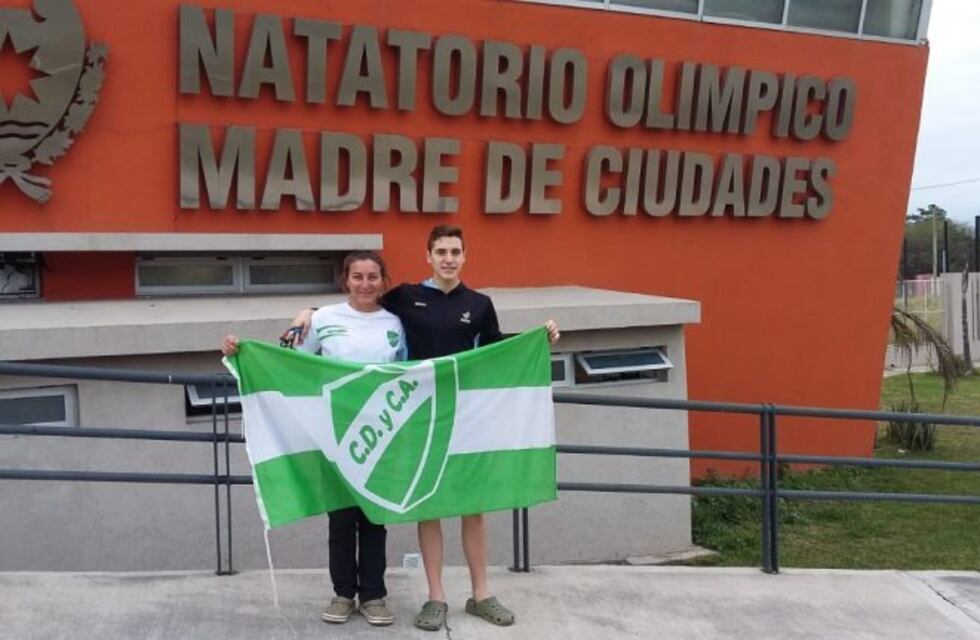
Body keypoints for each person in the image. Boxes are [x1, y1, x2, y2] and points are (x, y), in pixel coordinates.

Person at [286, 225, 560, 631]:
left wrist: (539, 340)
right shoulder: (405, 298)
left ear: (464, 256)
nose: (448, 258)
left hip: (467, 418)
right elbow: (360, 299)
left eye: (455, 251)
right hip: (419, 418)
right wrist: (308, 312)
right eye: (441, 251)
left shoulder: (481, 304)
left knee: (473, 505)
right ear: (428, 256)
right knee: (427, 503)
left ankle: (481, 594)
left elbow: (497, 349)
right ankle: (436, 598)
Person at [222, 250, 404, 627]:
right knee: (340, 519)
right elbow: (287, 360)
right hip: (332, 433)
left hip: (381, 433)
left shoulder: (396, 323)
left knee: (374, 518)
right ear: (345, 280)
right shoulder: (323, 319)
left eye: (373, 276)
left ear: (383, 280)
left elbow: (410, 372)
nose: (365, 284)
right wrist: (244, 353)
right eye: (358, 277)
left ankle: (373, 596)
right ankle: (342, 594)